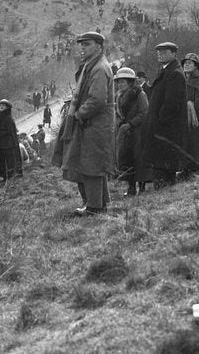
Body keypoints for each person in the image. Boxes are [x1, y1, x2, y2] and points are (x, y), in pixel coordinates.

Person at [52, 32, 115, 216]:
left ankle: (94, 207)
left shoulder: (99, 68)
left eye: (86, 44)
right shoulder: (92, 65)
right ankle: (97, 204)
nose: (82, 48)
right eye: (81, 44)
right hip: (92, 122)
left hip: (95, 123)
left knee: (91, 164)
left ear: (98, 46)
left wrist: (79, 114)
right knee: (89, 163)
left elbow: (97, 99)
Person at [141, 42, 187, 188]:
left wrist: (158, 122)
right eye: (159, 51)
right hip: (163, 127)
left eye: (164, 51)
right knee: (161, 164)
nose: (160, 53)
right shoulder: (167, 71)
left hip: (166, 129)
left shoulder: (174, 74)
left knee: (163, 165)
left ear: (174, 53)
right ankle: (164, 191)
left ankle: (164, 193)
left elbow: (171, 104)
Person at [112, 67, 150, 196]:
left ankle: (142, 186)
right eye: (118, 82)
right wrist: (120, 123)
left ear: (129, 82)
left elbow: (144, 112)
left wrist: (130, 124)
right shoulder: (119, 96)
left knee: (138, 159)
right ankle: (131, 187)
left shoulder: (140, 94)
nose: (119, 84)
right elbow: (117, 113)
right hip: (125, 132)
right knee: (126, 158)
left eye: (122, 82)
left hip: (138, 131)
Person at [0, 100, 20, 179]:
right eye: (0, 105)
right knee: (2, 159)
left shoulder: (8, 118)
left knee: (10, 160)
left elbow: (9, 131)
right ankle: (5, 175)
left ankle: (11, 175)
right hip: (1, 142)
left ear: (7, 107)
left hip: (9, 143)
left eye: (4, 105)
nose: (1, 106)